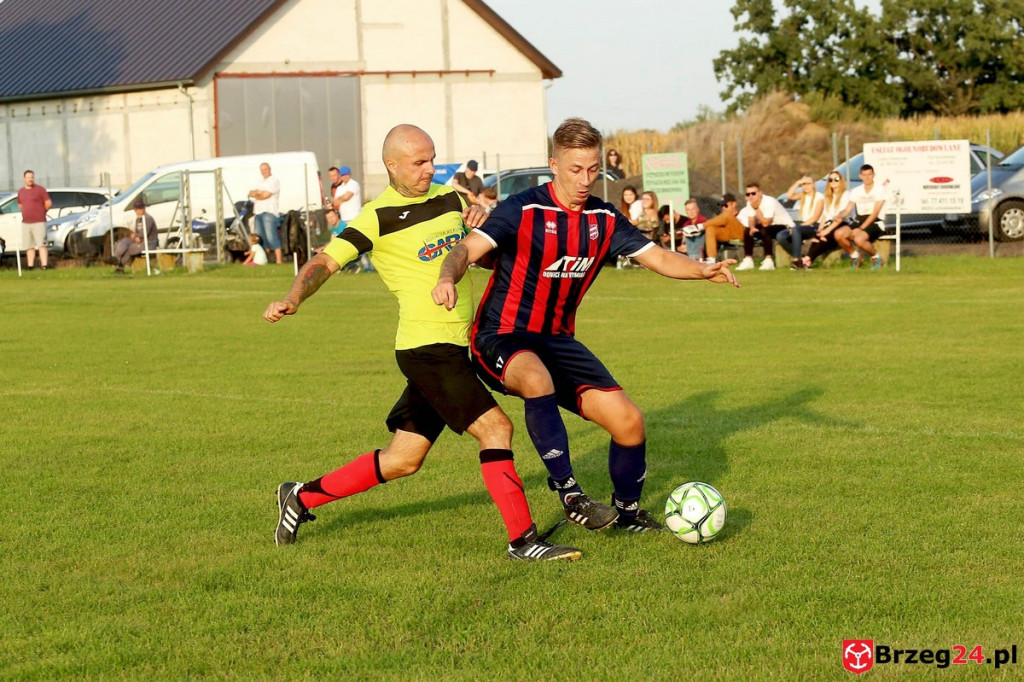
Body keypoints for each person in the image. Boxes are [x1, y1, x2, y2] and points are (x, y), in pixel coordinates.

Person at [265, 124, 581, 562]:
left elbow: (482, 254)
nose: (429, 169)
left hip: (459, 345)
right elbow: (323, 262)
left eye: (432, 159)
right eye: (419, 162)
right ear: (391, 165)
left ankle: (299, 497)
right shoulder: (376, 217)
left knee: (403, 458)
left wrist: (481, 226)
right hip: (427, 349)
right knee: (496, 428)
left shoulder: (450, 198)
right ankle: (523, 542)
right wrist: (292, 297)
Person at [432, 117, 739, 535]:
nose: (585, 179)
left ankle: (627, 515)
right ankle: (570, 492)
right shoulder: (522, 209)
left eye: (593, 169)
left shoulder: (604, 218)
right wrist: (447, 276)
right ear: (553, 164)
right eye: (575, 169)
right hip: (500, 335)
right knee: (536, 377)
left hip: (557, 339)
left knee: (629, 421)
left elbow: (660, 257)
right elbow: (467, 248)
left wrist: (703, 270)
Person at [835, 164, 887, 270]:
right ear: (860, 176)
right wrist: (838, 215)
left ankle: (876, 258)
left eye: (869, 174)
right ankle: (855, 256)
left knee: (859, 239)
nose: (867, 177)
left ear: (873, 175)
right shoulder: (856, 191)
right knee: (839, 234)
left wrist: (861, 229)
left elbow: (875, 213)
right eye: (864, 175)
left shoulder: (880, 189)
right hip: (859, 220)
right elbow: (847, 209)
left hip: (875, 222)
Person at [735, 182, 794, 271]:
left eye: (753, 193)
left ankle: (769, 260)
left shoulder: (769, 202)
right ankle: (748, 259)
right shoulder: (750, 203)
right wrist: (752, 228)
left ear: (760, 193)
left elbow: (766, 223)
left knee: (764, 230)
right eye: (748, 194)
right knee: (748, 231)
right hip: (767, 226)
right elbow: (751, 219)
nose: (750, 196)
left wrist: (756, 209)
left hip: (783, 226)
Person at [805, 171, 853, 267]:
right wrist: (820, 229)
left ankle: (807, 259)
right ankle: (808, 261)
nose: (833, 181)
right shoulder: (828, 196)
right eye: (830, 180)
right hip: (830, 223)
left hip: (842, 223)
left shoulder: (846, 194)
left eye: (836, 179)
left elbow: (840, 217)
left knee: (824, 236)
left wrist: (826, 230)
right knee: (817, 237)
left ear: (841, 181)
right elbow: (825, 215)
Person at [777, 175, 825, 269]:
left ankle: (796, 261)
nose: (806, 186)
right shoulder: (803, 195)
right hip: (802, 226)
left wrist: (798, 227)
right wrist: (798, 183)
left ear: (814, 185)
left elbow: (815, 217)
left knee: (796, 230)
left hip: (814, 226)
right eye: (803, 184)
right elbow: (789, 195)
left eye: (808, 183)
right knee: (781, 236)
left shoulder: (819, 197)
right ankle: (800, 258)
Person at [704, 193, 755, 265]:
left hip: (745, 234)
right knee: (710, 228)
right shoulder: (723, 218)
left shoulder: (744, 212)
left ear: (734, 204)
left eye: (725, 205)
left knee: (727, 215)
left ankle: (700, 226)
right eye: (721, 206)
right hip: (729, 235)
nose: (723, 208)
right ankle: (711, 260)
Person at [16, 170, 52, 270]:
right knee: (29, 246)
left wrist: (41, 212)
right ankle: (30, 266)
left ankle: (44, 265)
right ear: (24, 179)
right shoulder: (21, 191)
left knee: (41, 244)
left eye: (32, 177)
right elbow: (20, 204)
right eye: (28, 177)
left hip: (39, 222)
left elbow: (48, 203)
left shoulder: (40, 190)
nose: (30, 179)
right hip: (26, 223)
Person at [112, 198, 158, 274]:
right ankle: (115, 257)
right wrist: (135, 236)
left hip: (149, 243)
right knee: (125, 241)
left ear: (144, 209)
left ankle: (120, 267)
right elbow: (137, 232)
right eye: (136, 210)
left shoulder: (148, 218)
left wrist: (135, 236)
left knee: (130, 248)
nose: (138, 211)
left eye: (140, 209)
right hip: (139, 241)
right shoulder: (138, 219)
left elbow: (144, 233)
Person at [249, 162, 283, 264]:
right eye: (262, 170)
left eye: (265, 169)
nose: (264, 171)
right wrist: (258, 193)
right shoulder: (259, 181)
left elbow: (266, 195)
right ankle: (265, 260)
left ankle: (279, 260)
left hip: (269, 212)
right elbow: (251, 193)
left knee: (271, 237)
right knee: (261, 238)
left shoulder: (274, 181)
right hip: (258, 212)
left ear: (270, 169)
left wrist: (258, 194)